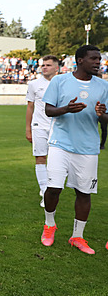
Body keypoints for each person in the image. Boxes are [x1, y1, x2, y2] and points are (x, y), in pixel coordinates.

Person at [40, 45, 108, 255]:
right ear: (79, 60)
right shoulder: (60, 81)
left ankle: (77, 236)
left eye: (99, 59)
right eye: (94, 59)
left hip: (88, 147)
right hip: (60, 144)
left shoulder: (103, 86)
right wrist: (67, 109)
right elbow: (48, 110)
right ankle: (49, 225)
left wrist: (101, 114)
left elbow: (106, 119)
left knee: (84, 192)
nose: (98, 62)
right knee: (54, 188)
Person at [25, 55, 59, 207]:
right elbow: (30, 107)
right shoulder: (33, 84)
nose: (44, 67)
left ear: (56, 68)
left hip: (57, 127)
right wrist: (28, 128)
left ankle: (50, 187)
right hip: (38, 126)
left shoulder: (62, 83)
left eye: (48, 65)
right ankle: (44, 191)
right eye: (43, 65)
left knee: (55, 160)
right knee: (40, 158)